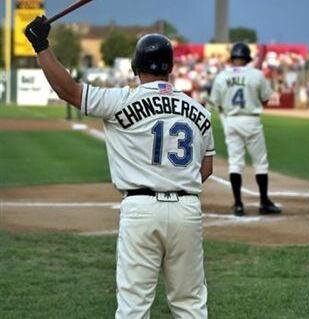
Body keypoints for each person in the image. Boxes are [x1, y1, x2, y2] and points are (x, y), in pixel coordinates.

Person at [25, 16, 215, 318]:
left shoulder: (120, 100)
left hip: (139, 209)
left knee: (134, 306)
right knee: (190, 304)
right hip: (186, 209)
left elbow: (69, 91)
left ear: (135, 67)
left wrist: (41, 45)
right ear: (171, 67)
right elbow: (205, 168)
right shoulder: (199, 111)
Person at [210, 42, 281, 217]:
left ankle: (239, 204)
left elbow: (216, 102)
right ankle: (264, 202)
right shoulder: (257, 75)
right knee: (260, 162)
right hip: (251, 120)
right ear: (247, 58)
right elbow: (266, 99)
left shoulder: (221, 76)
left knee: (235, 162)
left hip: (231, 120)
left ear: (232, 58)